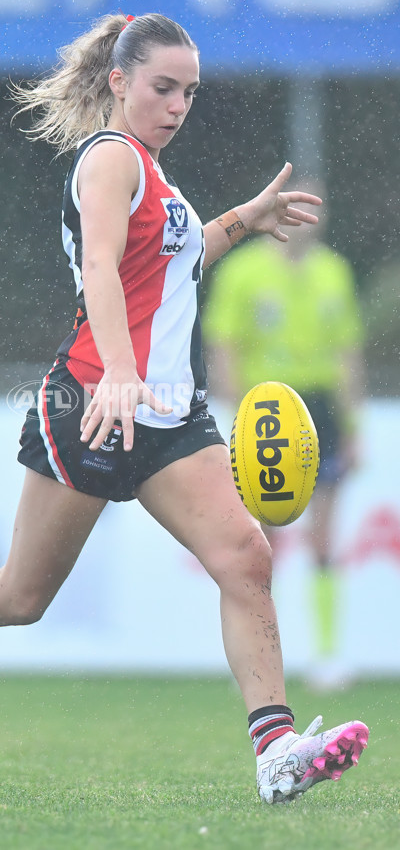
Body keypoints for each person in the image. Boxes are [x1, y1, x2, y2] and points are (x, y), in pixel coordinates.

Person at [0, 13, 368, 804]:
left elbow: (171, 268)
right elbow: (106, 269)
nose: (178, 104)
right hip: (94, 401)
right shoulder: (112, 158)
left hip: (169, 418)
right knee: (20, 597)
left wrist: (238, 224)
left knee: (246, 560)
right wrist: (118, 370)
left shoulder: (154, 172)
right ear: (119, 82)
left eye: (189, 91)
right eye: (163, 87)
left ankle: (276, 750)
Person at [203, 199, 365, 688]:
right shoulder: (243, 271)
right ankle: (257, 657)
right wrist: (237, 416)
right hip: (268, 414)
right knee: (258, 542)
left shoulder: (333, 272)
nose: (304, 227)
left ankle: (327, 654)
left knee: (324, 535)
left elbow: (347, 352)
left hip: (322, 409)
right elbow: (223, 344)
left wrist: (354, 427)